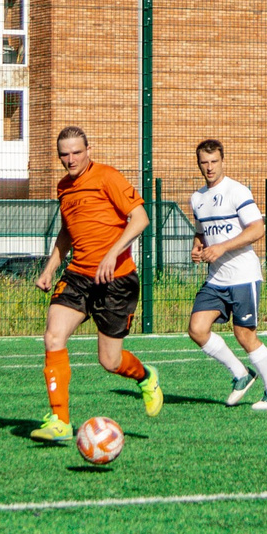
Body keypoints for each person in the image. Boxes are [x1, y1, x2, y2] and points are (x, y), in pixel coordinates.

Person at [33, 126, 162, 443]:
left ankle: (146, 377)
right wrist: (50, 267)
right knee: (53, 335)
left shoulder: (108, 177)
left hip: (116, 280)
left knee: (110, 361)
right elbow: (67, 231)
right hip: (78, 275)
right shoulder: (64, 187)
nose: (70, 159)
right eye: (64, 154)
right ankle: (60, 421)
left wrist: (112, 255)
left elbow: (141, 218)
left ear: (88, 150)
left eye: (76, 152)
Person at [180, 138, 267, 411]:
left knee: (244, 335)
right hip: (216, 279)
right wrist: (197, 246)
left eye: (214, 162)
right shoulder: (197, 198)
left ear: (222, 161)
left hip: (243, 276)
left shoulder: (237, 191)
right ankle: (240, 374)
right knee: (197, 329)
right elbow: (203, 231)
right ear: (199, 164)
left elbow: (257, 229)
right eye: (204, 163)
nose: (209, 167)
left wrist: (222, 247)